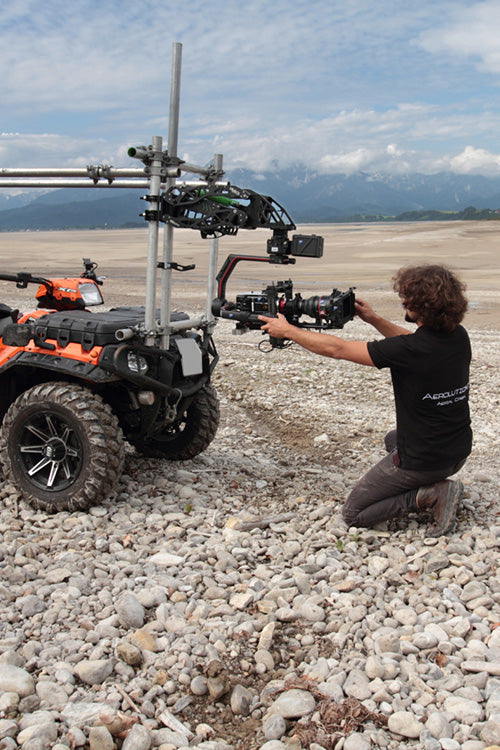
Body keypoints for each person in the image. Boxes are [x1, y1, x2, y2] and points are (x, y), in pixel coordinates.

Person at [258, 264, 472, 537]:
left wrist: (288, 331)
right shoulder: (457, 336)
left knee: (353, 514)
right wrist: (373, 319)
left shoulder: (410, 350)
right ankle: (427, 481)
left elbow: (337, 349)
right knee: (392, 439)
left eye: (406, 298)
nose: (403, 302)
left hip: (424, 460)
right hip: (458, 451)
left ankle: (430, 494)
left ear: (419, 305)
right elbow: (411, 341)